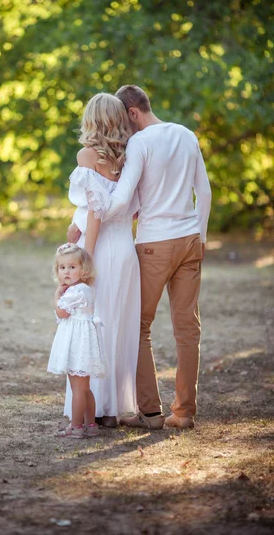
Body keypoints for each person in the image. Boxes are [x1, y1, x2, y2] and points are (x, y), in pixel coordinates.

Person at [69, 85, 211, 429]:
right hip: (191, 239)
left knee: (139, 327)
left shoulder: (140, 143)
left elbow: (121, 198)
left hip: (153, 245)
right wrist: (201, 238)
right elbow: (203, 192)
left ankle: (150, 412)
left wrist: (92, 213)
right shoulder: (186, 134)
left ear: (132, 113)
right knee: (188, 329)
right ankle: (184, 413)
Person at [63, 92, 141, 428]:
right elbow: (130, 207)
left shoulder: (88, 154)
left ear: (92, 118)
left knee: (92, 326)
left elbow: (95, 210)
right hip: (126, 246)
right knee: (118, 325)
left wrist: (86, 258)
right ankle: (111, 408)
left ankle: (90, 411)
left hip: (102, 246)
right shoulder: (130, 155)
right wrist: (75, 220)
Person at [47, 243, 105, 438]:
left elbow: (61, 312)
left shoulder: (74, 292)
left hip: (77, 343)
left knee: (77, 388)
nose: (66, 272)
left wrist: (57, 295)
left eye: (72, 267)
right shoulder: (85, 289)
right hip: (83, 341)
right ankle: (91, 424)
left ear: (84, 269)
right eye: (62, 267)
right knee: (85, 387)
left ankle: (76, 426)